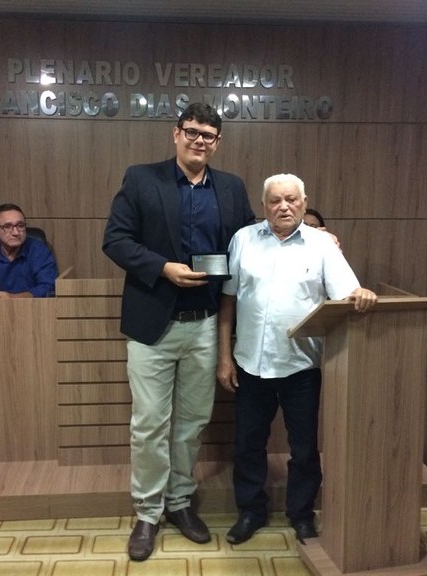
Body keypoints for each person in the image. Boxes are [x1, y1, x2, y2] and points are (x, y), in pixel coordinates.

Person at [102, 103, 256, 561]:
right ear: (176, 134)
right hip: (153, 325)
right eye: (192, 131)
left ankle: (180, 502)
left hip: (205, 325)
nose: (199, 140)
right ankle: (148, 513)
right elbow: (115, 240)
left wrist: (315, 233)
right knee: (149, 424)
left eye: (208, 135)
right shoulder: (141, 179)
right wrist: (162, 268)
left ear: (217, 142)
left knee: (191, 424)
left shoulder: (231, 188)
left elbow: (250, 241)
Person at [216, 173, 377, 544]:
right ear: (264, 206)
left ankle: (301, 514)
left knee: (303, 449)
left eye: (291, 199)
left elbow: (348, 293)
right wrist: (224, 357)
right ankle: (251, 512)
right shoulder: (243, 239)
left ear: (304, 204)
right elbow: (228, 300)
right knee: (248, 446)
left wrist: (362, 294)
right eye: (275, 200)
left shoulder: (322, 245)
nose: (283, 206)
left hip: (302, 366)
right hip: (250, 365)